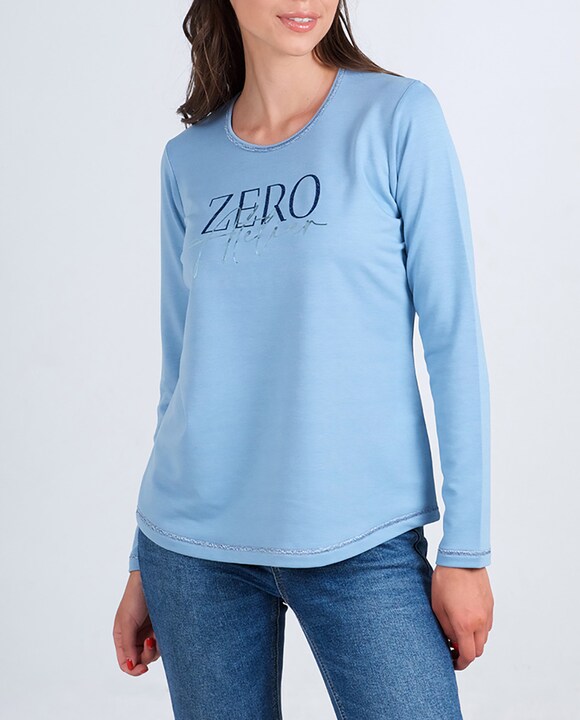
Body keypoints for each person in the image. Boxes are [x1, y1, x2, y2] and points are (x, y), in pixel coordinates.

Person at [113, 1, 494, 717]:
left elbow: (454, 338)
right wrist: (142, 559)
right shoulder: (187, 161)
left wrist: (466, 551)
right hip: (193, 554)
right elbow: (181, 371)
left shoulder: (398, 117)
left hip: (365, 543)